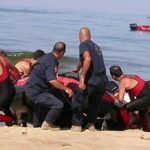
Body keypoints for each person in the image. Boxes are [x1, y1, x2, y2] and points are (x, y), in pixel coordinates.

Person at [25, 42, 73, 130]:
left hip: (29, 88)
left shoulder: (46, 56)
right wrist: (66, 88)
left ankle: (36, 125)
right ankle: (47, 124)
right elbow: (52, 81)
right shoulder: (52, 62)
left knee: (40, 107)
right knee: (58, 105)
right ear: (62, 52)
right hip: (37, 92)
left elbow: (34, 63)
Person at [71, 27, 108, 132]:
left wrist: (82, 78)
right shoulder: (96, 46)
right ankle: (90, 124)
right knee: (94, 103)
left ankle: (77, 125)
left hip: (92, 80)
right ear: (90, 36)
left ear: (79, 37)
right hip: (102, 81)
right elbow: (88, 58)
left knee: (77, 100)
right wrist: (79, 67)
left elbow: (87, 58)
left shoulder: (83, 44)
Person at [109, 65, 150, 132]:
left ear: (113, 77)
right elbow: (132, 91)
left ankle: (126, 125)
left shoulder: (122, 81)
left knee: (125, 108)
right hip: (147, 94)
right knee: (142, 113)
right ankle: (146, 129)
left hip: (145, 98)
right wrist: (133, 102)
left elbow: (120, 99)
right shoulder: (132, 76)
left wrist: (116, 95)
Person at [0, 53, 20, 125]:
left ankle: (12, 120)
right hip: (11, 90)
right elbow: (16, 71)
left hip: (5, 93)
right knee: (5, 109)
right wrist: (17, 79)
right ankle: (11, 124)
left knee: (5, 108)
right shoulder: (4, 59)